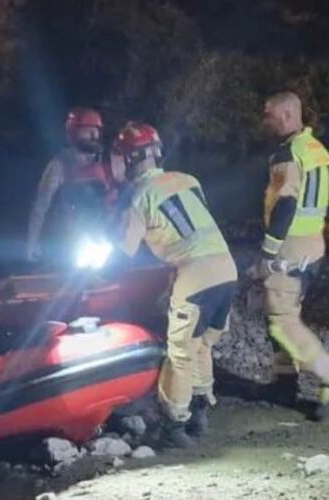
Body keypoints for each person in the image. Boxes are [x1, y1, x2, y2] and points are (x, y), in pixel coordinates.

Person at [113, 122, 237, 448]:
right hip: (226, 270)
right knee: (202, 346)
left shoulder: (139, 198)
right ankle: (199, 414)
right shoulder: (188, 180)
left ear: (127, 159)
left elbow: (123, 252)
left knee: (180, 353)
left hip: (195, 275)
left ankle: (173, 426)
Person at [256, 91, 329, 420]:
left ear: (284, 115)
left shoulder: (287, 154)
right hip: (314, 244)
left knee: (281, 320)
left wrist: (268, 250)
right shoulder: (317, 149)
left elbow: (286, 203)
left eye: (267, 114)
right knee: (282, 313)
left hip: (290, 246)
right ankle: (284, 379)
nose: (263, 120)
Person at [26, 106, 121, 265]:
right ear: (73, 132)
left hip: (110, 236)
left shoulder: (110, 161)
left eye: (96, 130)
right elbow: (41, 204)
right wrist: (32, 241)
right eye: (88, 130)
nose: (94, 135)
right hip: (76, 240)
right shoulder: (59, 165)